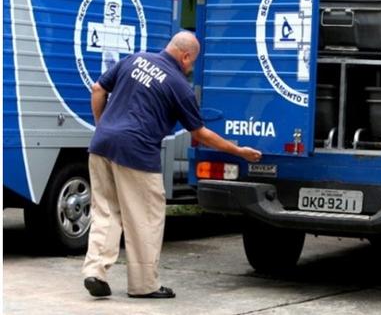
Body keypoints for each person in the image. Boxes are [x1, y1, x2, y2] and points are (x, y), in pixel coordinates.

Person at [82, 31, 262, 299]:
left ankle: (94, 271)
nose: (189, 68)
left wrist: (103, 126)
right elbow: (199, 134)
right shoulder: (179, 85)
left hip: (101, 146)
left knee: (105, 211)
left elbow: (98, 89)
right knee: (146, 218)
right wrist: (237, 150)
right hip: (138, 153)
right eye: (191, 63)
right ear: (185, 56)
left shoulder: (135, 59)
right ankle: (144, 285)